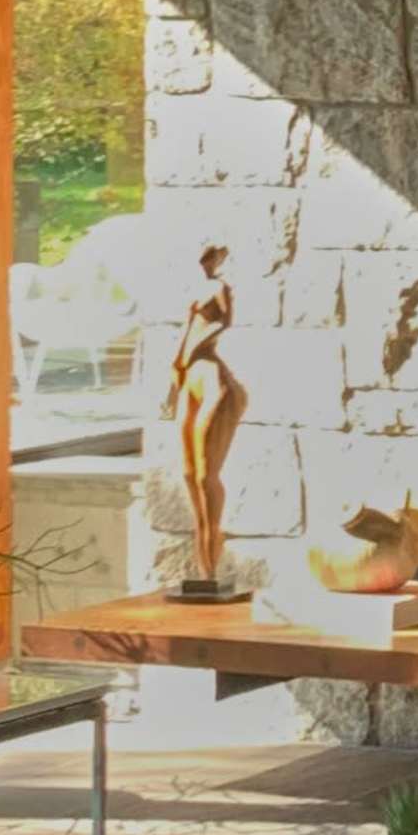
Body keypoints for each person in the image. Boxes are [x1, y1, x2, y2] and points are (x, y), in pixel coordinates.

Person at [163, 246, 245, 601]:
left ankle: (211, 564)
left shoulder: (220, 289)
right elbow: (186, 331)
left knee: (205, 476)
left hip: (212, 379)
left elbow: (223, 322)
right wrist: (176, 368)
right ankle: (202, 570)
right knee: (187, 474)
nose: (206, 263)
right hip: (190, 378)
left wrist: (196, 346)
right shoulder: (196, 291)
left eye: (210, 257)